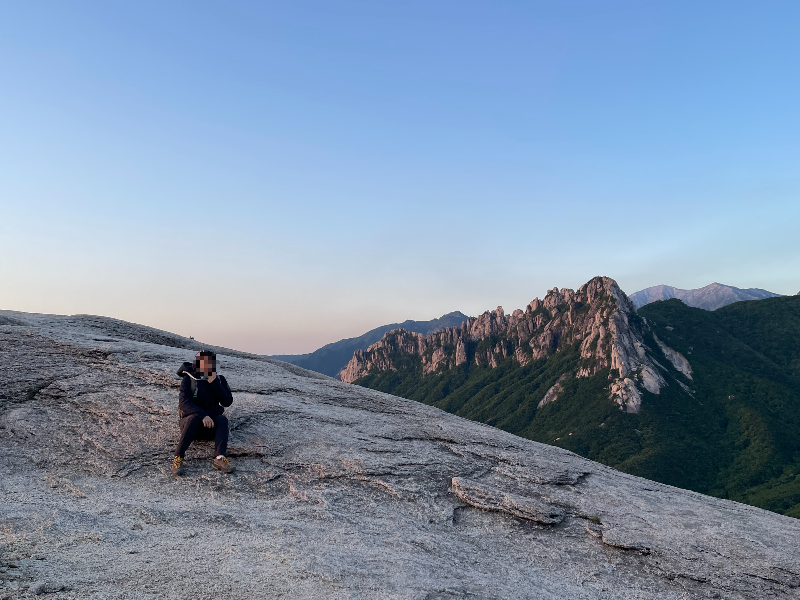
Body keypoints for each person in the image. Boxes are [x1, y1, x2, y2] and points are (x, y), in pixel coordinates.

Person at [171, 350, 235, 476]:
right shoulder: (189, 379)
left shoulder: (219, 379)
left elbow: (227, 402)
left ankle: (219, 457)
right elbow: (184, 403)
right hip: (191, 426)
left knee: (222, 420)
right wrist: (203, 415)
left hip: (210, 427)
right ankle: (178, 457)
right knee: (193, 419)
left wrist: (215, 384)